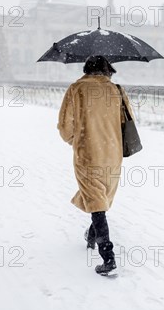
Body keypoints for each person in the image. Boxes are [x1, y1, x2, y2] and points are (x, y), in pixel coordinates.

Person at [57, 55, 134, 275]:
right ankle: (91, 235)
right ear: (107, 70)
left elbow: (65, 127)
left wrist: (78, 140)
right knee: (100, 196)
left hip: (88, 153)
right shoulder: (117, 90)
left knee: (96, 200)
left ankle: (107, 256)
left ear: (86, 69)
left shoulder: (76, 90)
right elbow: (127, 122)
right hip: (112, 153)